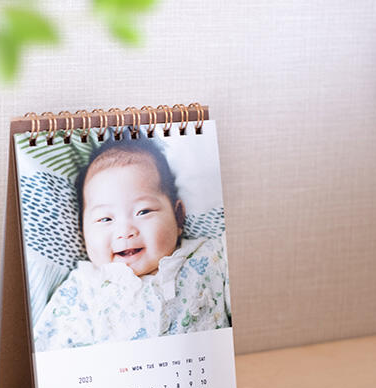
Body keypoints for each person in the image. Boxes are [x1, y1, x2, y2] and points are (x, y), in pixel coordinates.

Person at [32, 137, 231, 351]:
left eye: (143, 211)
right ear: (83, 232)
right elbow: (51, 354)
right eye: (105, 219)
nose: (125, 232)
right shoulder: (81, 290)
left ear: (178, 216)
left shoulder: (212, 257)